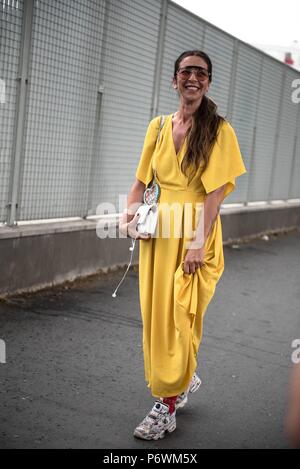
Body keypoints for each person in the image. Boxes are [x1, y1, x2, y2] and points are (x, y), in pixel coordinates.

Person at [119, 50, 247, 441]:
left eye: (201, 73)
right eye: (186, 71)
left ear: (208, 82)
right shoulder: (157, 127)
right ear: (175, 79)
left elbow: (215, 194)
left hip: (195, 234)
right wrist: (129, 217)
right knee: (156, 315)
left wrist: (197, 243)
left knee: (180, 315)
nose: (193, 77)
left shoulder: (219, 130)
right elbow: (140, 184)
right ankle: (180, 378)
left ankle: (166, 404)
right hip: (159, 236)